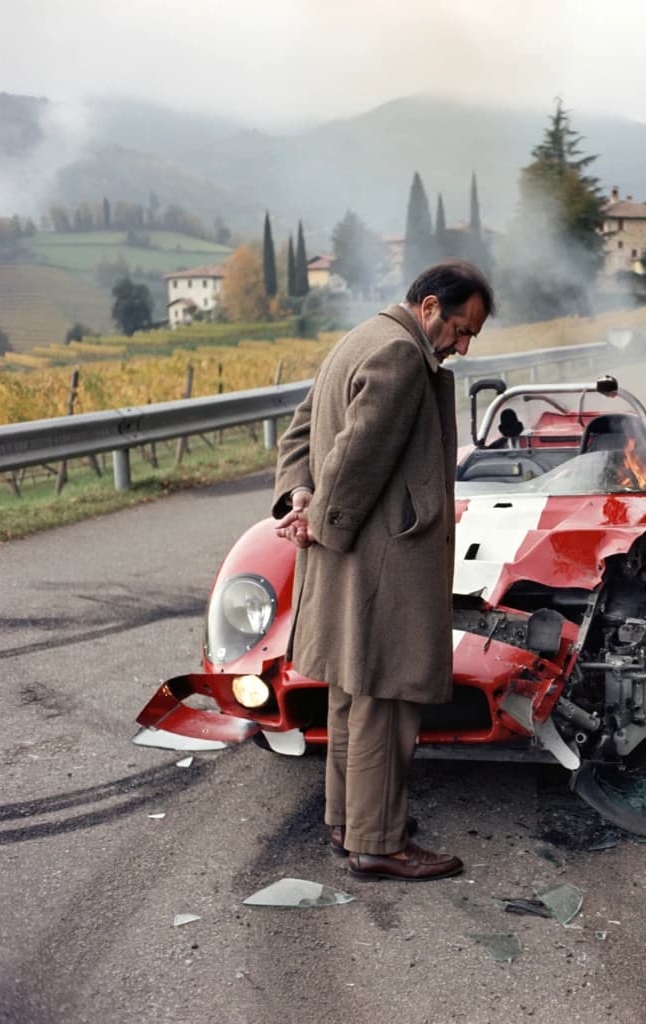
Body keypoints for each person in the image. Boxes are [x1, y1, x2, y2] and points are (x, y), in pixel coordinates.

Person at [272, 260, 494, 881]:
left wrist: (299, 497)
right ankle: (380, 844)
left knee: (352, 689)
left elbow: (300, 433)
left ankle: (349, 821)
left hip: (350, 557)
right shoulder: (400, 356)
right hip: (384, 559)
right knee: (387, 699)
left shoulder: (360, 337)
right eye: (460, 328)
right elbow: (355, 457)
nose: (463, 344)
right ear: (428, 307)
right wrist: (321, 519)